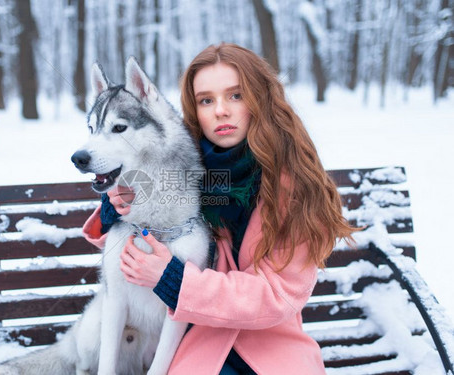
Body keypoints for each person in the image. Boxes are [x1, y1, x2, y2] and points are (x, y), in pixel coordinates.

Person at [82, 43, 356, 374]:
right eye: (206, 100)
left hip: (269, 347)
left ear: (261, 99)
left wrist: (175, 280)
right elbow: (139, 237)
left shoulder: (294, 186)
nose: (220, 110)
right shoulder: (182, 164)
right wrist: (114, 209)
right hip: (197, 343)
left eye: (235, 95)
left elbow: (277, 295)